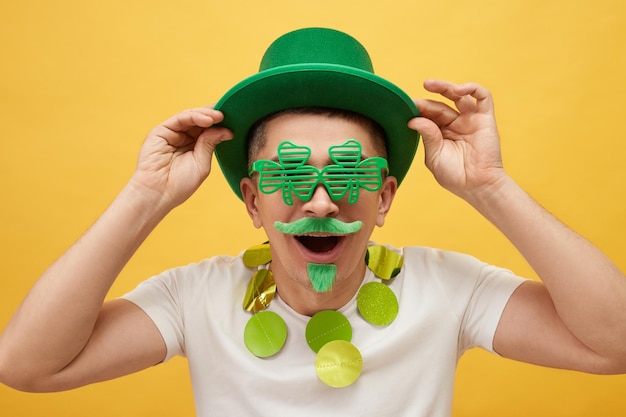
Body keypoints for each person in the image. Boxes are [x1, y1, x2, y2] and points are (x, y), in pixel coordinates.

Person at [0, 27, 625, 416]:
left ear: (383, 200)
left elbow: (616, 344)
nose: (322, 203)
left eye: (349, 176)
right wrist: (144, 196)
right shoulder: (194, 297)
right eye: (292, 176)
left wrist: (491, 187)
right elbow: (27, 367)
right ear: (251, 201)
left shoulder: (446, 288)